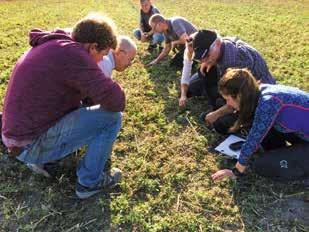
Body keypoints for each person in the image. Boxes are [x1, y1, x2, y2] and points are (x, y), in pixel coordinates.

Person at [2, 13, 125, 199]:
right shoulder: (74, 55)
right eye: (103, 54)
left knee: (87, 109)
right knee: (111, 118)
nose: (102, 61)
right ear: (92, 47)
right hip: (29, 145)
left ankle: (48, 159)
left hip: (18, 137)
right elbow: (117, 101)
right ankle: (89, 183)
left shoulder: (57, 46)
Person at [211, 68, 309, 183]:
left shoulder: (268, 102)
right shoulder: (260, 92)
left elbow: (254, 139)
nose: (228, 104)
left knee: (261, 165)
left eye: (228, 99)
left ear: (239, 95)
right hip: (301, 134)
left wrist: (236, 171)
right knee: (268, 155)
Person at [187, 30, 276, 134]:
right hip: (238, 89)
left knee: (220, 124)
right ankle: (219, 102)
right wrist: (209, 61)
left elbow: (240, 97)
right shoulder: (222, 44)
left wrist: (216, 114)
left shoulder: (237, 60)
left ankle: (233, 113)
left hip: (255, 96)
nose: (203, 60)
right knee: (201, 75)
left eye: (206, 56)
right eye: (201, 58)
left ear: (217, 44)